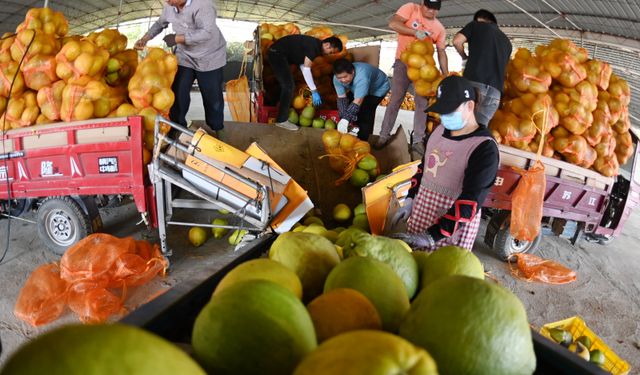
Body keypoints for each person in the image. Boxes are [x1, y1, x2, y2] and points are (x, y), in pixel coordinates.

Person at [390, 76, 499, 251]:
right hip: (420, 215)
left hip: (450, 231)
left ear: (469, 106)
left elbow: (470, 201)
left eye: (449, 111)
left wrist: (431, 236)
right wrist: (410, 199)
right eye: (442, 111)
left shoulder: (484, 148)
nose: (444, 117)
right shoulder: (439, 131)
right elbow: (423, 169)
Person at [134, 0, 227, 137]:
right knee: (178, 92)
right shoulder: (170, 7)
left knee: (212, 97)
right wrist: (145, 38)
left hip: (210, 56)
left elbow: (207, 33)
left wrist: (178, 38)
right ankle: (177, 127)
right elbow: (160, 23)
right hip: (185, 56)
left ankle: (217, 128)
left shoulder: (203, 4)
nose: (167, 1)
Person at [375, 0, 448, 156]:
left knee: (422, 103)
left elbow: (441, 52)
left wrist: (446, 74)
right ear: (423, 3)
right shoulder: (410, 8)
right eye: (429, 7)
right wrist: (414, 32)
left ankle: (417, 141)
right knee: (396, 99)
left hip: (423, 69)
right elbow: (393, 24)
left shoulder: (439, 28)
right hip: (403, 62)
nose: (431, 11)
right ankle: (383, 135)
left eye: (436, 9)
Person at [267, 34, 343, 131]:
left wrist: (312, 87)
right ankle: (281, 120)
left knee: (286, 84)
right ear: (327, 45)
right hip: (277, 54)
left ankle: (277, 109)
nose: (329, 54)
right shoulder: (314, 47)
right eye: (331, 52)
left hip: (276, 53)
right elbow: (306, 69)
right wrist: (314, 91)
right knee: (289, 86)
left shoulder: (315, 45)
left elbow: (303, 66)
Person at [453, 9, 512, 126]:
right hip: (495, 93)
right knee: (478, 131)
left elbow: (457, 41)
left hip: (475, 84)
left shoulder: (476, 25)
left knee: (461, 126)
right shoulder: (507, 42)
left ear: (480, 19)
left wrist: (464, 57)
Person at [333, 59, 390, 141]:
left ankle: (363, 140)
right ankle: (351, 129)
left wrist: (346, 119)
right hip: (357, 87)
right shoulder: (336, 78)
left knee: (365, 112)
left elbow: (358, 101)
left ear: (352, 72)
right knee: (349, 107)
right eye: (339, 78)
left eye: (345, 76)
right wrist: (343, 118)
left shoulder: (362, 77)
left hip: (377, 88)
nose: (343, 80)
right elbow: (342, 98)